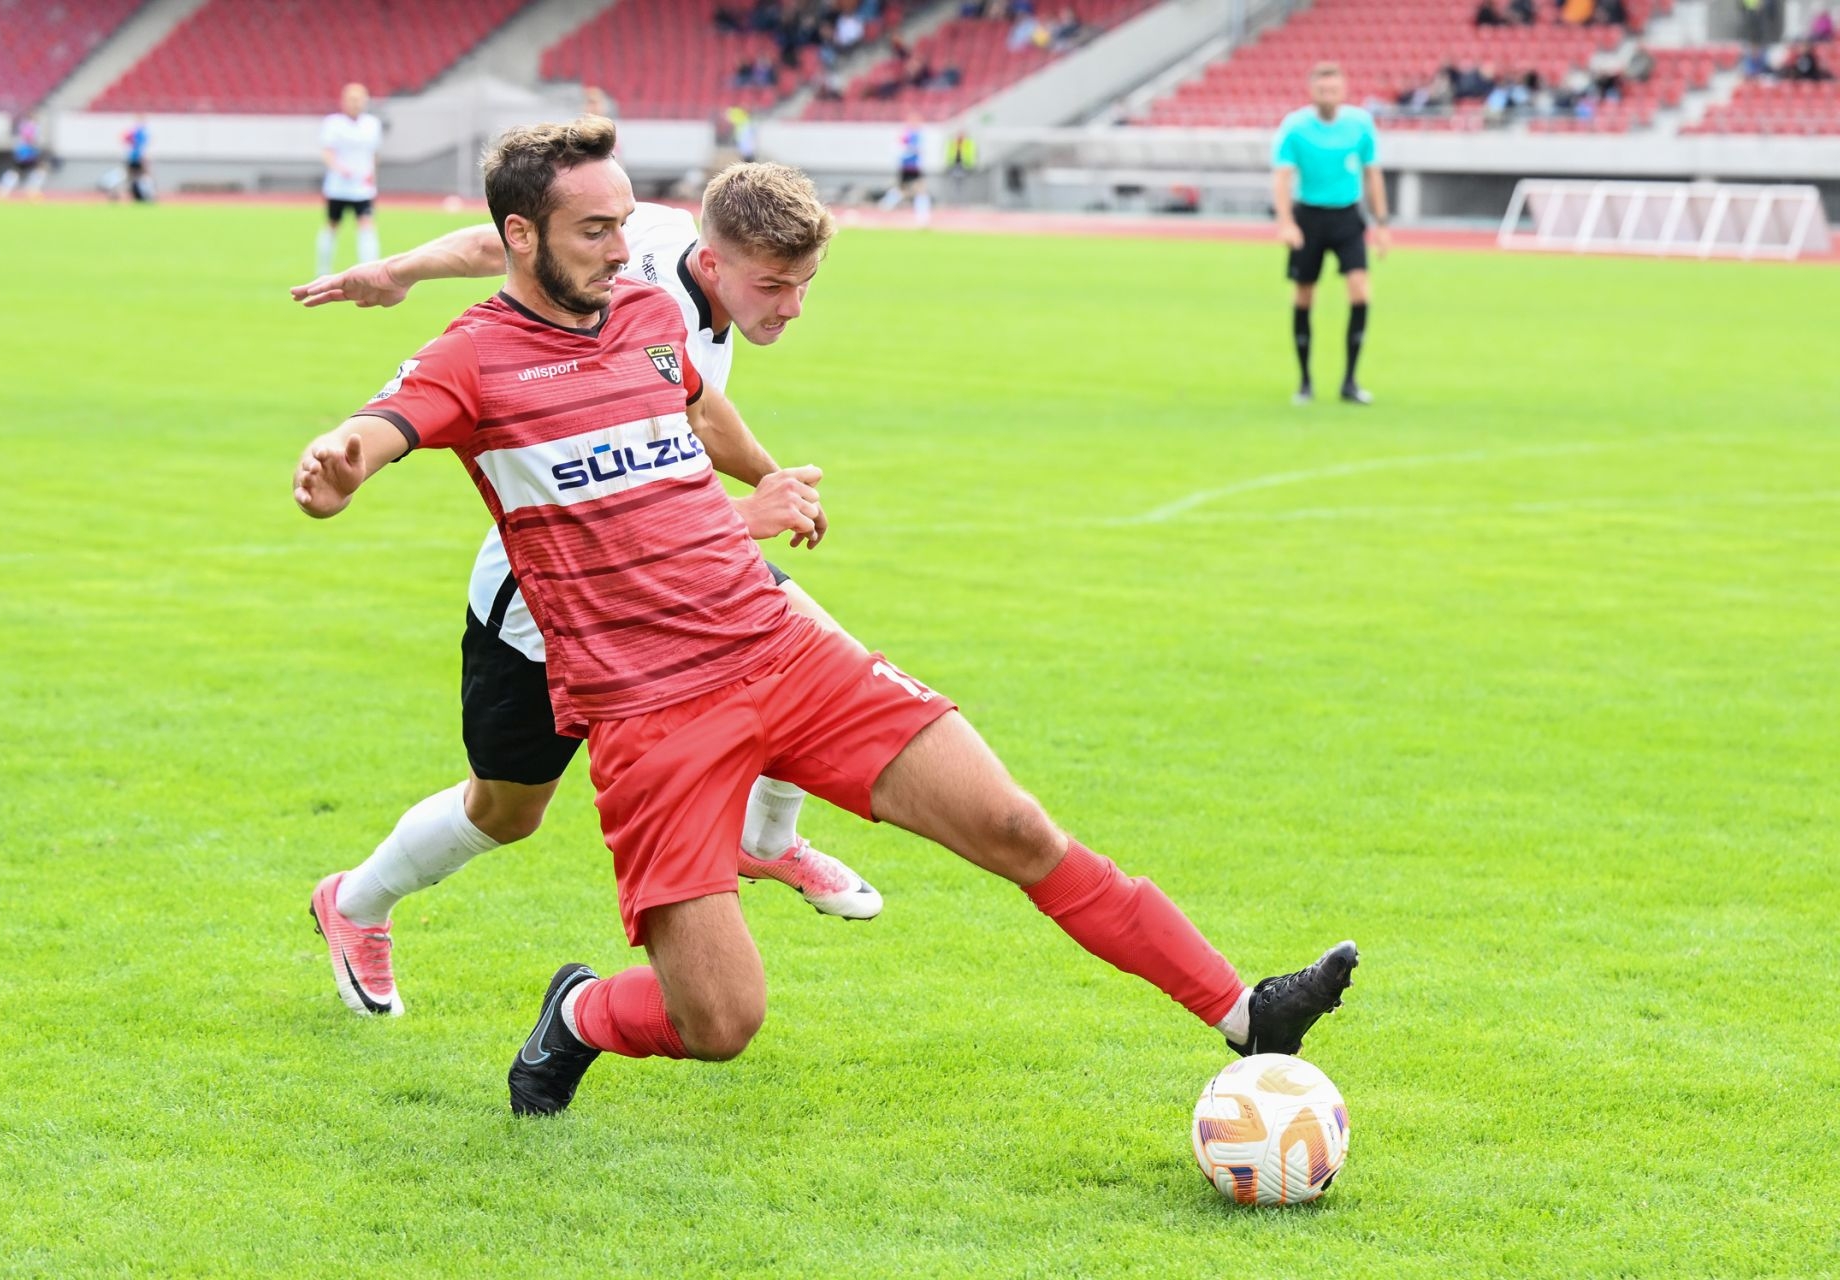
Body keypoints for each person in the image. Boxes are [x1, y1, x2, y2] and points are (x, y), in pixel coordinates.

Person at [290, 116, 1360, 1116]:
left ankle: (1245, 1009)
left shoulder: (658, 311)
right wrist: (345, 457)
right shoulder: (473, 361)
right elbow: (392, 420)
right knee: (720, 1019)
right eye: (596, 229)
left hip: (781, 645)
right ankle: (576, 1010)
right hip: (650, 713)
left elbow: (691, 409)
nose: (624, 247)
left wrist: (764, 481)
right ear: (521, 235)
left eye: (626, 222)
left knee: (1013, 825)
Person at [289, 160, 885, 1016]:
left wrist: (770, 479)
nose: (790, 305)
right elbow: (515, 254)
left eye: (802, 284)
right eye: (774, 286)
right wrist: (749, 510)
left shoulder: (654, 236)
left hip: (680, 575)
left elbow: (697, 407)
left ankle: (767, 836)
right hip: (551, 601)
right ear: (716, 267)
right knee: (504, 811)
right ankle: (354, 904)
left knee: (824, 665)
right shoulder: (629, 308)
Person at [1271, 63, 1390, 406]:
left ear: (1344, 89)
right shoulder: (1295, 127)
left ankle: (1350, 381)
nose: (1329, 95)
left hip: (1347, 216)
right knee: (1305, 295)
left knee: (1360, 289)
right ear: (1312, 91)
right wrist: (1286, 223)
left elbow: (1373, 174)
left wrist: (1382, 224)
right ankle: (1305, 381)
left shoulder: (1359, 124)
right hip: (1308, 216)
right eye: (1323, 89)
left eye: (1334, 89)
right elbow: (1282, 176)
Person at [317, 82, 383, 276]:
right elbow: (327, 152)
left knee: (367, 224)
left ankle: (370, 271)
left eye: (361, 99)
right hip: (338, 187)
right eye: (353, 99)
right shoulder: (333, 123)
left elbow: (374, 153)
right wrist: (339, 169)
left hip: (362, 188)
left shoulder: (372, 124)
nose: (357, 103)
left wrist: (372, 175)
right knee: (332, 224)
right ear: (343, 101)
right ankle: (323, 270)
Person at [877, 116, 932, 225]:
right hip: (911, 167)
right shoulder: (909, 135)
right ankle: (922, 217)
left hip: (909, 167)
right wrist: (913, 151)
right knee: (919, 191)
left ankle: (885, 205)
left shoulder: (909, 135)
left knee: (904, 190)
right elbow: (903, 149)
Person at [0, 117, 46, 200]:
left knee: (38, 172)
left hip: (27, 156)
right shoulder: (25, 139)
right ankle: (4, 191)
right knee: (14, 173)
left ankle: (32, 190)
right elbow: (27, 140)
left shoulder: (29, 135)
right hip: (24, 157)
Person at [118, 117, 154, 203]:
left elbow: (125, 139)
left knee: (132, 178)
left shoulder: (133, 132)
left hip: (132, 158)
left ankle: (135, 196)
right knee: (143, 177)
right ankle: (144, 196)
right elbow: (141, 147)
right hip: (137, 158)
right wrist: (143, 158)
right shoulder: (140, 132)